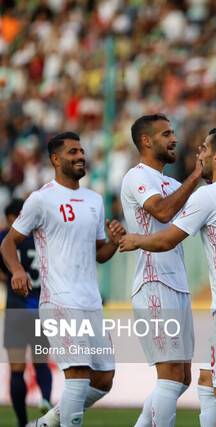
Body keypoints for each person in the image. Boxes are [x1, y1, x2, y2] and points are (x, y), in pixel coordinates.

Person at [119, 127, 216, 426]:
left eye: (203, 149)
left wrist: (135, 239)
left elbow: (165, 239)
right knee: (205, 382)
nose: (197, 154)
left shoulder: (209, 196)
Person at [0, 132, 125, 427]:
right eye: (72, 152)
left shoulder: (94, 200)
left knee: (104, 379)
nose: (80, 156)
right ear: (55, 160)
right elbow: (7, 243)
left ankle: (46, 423)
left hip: (90, 303)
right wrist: (17, 271)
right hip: (59, 301)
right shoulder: (41, 199)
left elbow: (99, 254)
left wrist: (114, 242)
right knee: (78, 377)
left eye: (81, 151)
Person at [120, 114, 201, 427]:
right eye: (166, 133)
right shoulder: (136, 177)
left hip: (177, 284)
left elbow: (208, 210)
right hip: (153, 282)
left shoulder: (172, 183)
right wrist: (196, 176)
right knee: (169, 377)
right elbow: (163, 212)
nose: (174, 139)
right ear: (146, 141)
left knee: (181, 379)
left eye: (173, 133)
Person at [0, 199, 53, 427]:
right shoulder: (42, 236)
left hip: (17, 308)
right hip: (40, 307)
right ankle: (45, 401)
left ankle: (22, 422)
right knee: (41, 362)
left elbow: (4, 272)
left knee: (16, 369)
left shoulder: (6, 237)